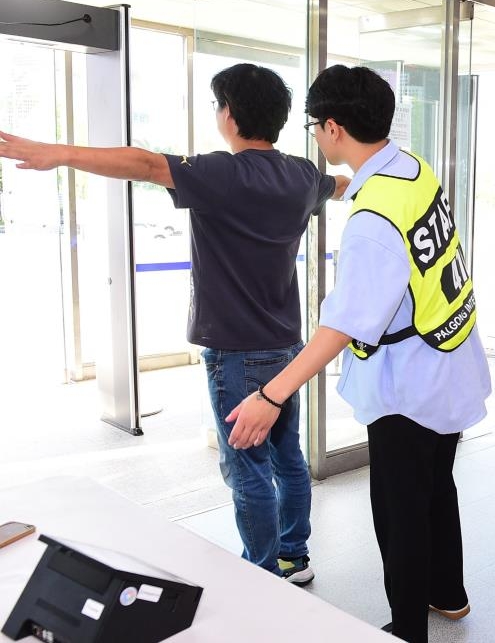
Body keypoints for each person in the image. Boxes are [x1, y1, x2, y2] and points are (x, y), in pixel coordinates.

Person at [0, 63, 350, 584]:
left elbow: (143, 163)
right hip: (287, 348)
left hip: (236, 352)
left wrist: (59, 153)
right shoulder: (301, 174)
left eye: (217, 105)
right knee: (286, 458)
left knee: (246, 467)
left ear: (230, 115)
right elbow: (340, 183)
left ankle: (261, 573)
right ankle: (293, 558)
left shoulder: (221, 174)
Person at [225, 65, 492, 643]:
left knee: (400, 514)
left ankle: (406, 629)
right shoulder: (411, 169)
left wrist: (272, 394)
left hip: (410, 389)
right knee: (436, 487)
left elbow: (343, 324)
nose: (315, 136)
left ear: (335, 128)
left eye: (314, 126)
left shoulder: (372, 220)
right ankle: (449, 595)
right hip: (450, 359)